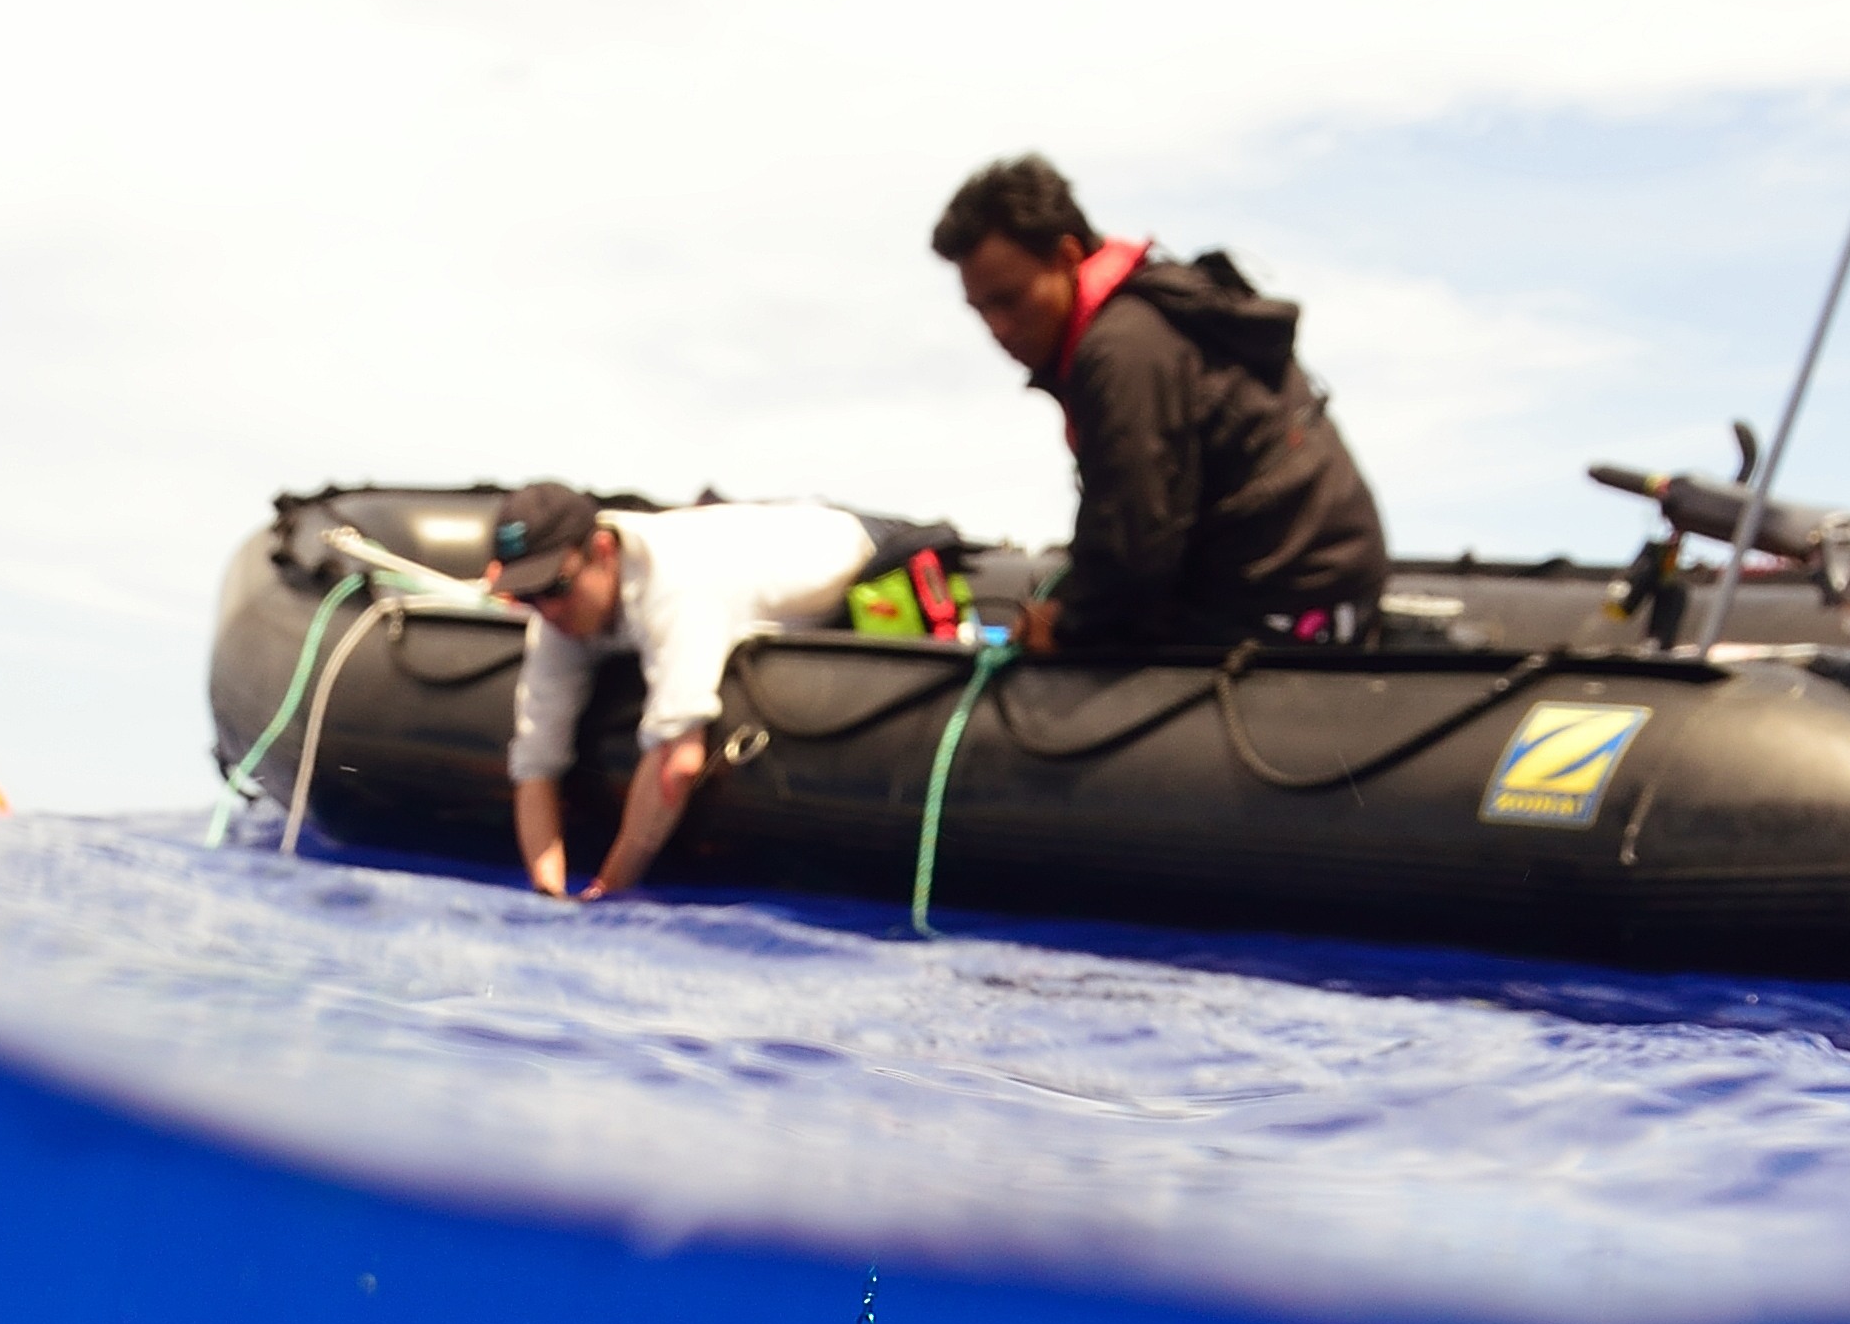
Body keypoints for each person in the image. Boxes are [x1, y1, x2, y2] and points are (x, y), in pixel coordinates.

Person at [928, 153, 1388, 660]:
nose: (998, 328)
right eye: (981, 310)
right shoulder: (1145, 320)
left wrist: (1066, 626)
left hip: (1288, 598)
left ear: (1066, 256)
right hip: (1324, 577)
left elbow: (1136, 545)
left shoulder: (1124, 351)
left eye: (1010, 301)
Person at [479, 482, 886, 902]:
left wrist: (605, 893)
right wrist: (548, 892)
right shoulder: (556, 612)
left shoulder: (676, 587)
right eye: (528, 595)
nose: (547, 610)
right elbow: (534, 765)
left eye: (555, 588)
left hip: (854, 546)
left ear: (601, 550)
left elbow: (679, 761)